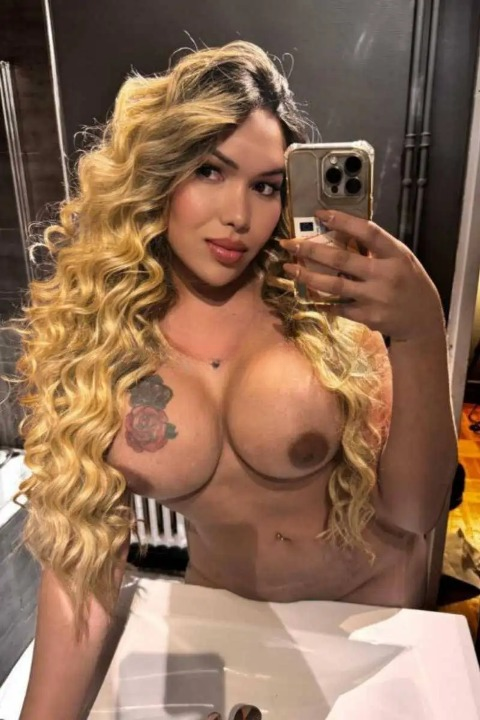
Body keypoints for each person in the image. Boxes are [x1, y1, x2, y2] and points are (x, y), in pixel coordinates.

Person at [5, 40, 457, 719]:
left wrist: (421, 331)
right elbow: (81, 565)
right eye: (210, 171)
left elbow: (415, 513)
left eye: (266, 185)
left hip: (364, 622)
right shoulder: (98, 342)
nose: (240, 217)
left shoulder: (322, 311)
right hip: (217, 619)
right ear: (159, 172)